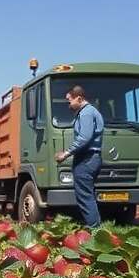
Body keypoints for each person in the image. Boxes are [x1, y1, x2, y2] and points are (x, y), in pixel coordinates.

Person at [55, 85, 104, 227]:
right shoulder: (92, 112)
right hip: (92, 158)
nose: (68, 104)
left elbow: (84, 138)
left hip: (86, 159)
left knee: (85, 197)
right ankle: (94, 227)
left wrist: (66, 153)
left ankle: (94, 230)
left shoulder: (86, 113)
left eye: (69, 100)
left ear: (79, 98)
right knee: (87, 195)